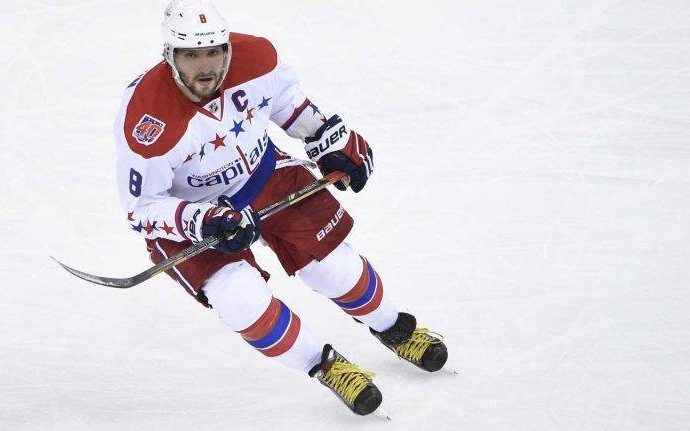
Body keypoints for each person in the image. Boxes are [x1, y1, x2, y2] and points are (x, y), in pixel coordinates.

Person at [114, 0, 448, 416]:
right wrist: (202, 220)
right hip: (196, 211)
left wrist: (327, 138)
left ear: (227, 48)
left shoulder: (255, 58)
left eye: (214, 51)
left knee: (332, 267)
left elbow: (284, 100)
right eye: (191, 54)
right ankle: (323, 365)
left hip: (263, 173)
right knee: (240, 300)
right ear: (170, 55)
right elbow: (142, 208)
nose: (205, 66)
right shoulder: (148, 121)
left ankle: (397, 329)